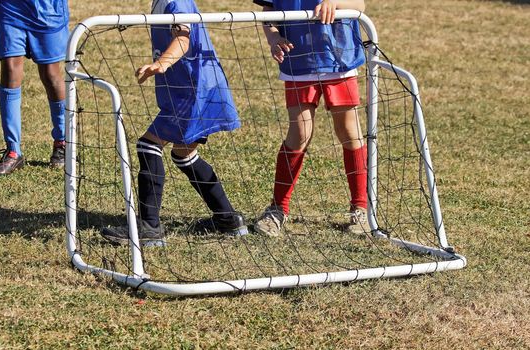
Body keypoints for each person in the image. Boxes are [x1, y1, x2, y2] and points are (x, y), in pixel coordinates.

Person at [100, 0, 248, 247]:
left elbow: (183, 38)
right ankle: (229, 220)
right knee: (184, 154)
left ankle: (150, 228)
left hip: (195, 90)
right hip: (193, 89)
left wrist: (163, 63)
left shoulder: (176, 2)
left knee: (148, 145)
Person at [253, 0, 369, 235]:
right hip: (299, 61)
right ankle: (277, 209)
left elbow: (360, 4)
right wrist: (274, 37)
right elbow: (268, 10)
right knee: (299, 133)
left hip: (340, 60)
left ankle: (361, 209)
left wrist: (335, 2)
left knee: (349, 132)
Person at [0, 0, 69, 176]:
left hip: (47, 9)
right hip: (11, 7)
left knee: (50, 74)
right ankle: (13, 151)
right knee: (10, 69)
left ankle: (62, 142)